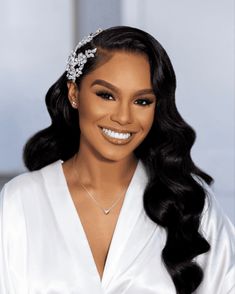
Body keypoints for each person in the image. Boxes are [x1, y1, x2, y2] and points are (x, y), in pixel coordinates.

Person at [0, 26, 234, 294]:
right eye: (106, 95)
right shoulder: (21, 201)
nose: (123, 117)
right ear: (74, 93)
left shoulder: (189, 202)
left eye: (142, 101)